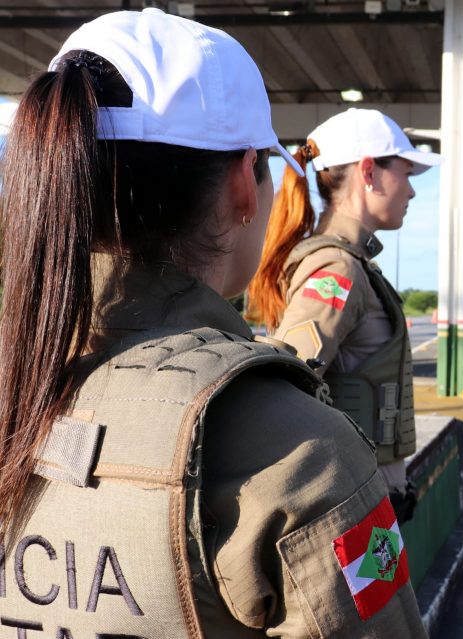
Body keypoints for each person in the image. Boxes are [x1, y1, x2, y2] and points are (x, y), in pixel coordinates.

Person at [0, 10, 427, 638]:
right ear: (240, 186)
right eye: (402, 172)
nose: (411, 191)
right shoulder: (300, 453)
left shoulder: (25, 378)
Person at [247, 108, 442, 521]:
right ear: (369, 172)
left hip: (370, 500)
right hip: (353, 508)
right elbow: (284, 386)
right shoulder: (337, 270)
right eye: (406, 173)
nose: (411, 191)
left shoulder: (352, 262)